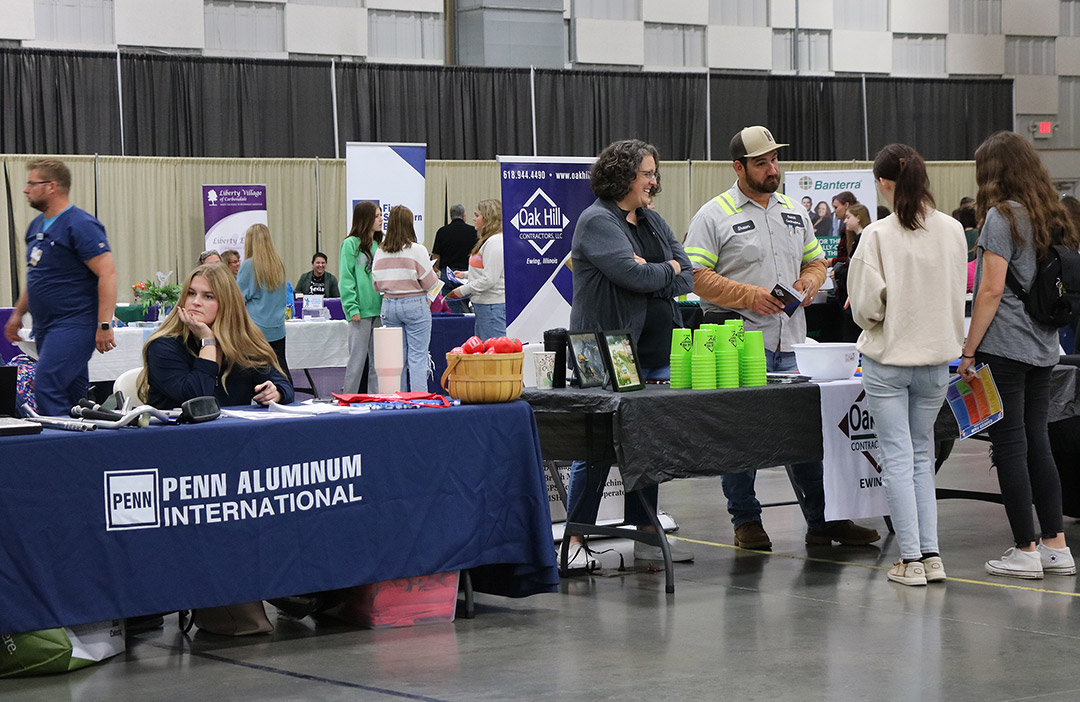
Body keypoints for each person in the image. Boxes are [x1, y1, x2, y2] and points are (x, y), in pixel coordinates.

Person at [683, 125, 879, 550]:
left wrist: (810, 281)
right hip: (738, 346)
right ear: (739, 168)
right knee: (741, 438)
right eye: (761, 163)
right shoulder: (712, 214)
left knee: (809, 436)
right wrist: (748, 295)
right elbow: (695, 276)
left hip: (793, 345)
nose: (772, 169)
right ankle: (746, 522)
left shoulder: (793, 210)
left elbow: (816, 263)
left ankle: (824, 520)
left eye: (774, 160)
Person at [565, 138, 695, 569]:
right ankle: (577, 540)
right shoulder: (597, 221)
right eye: (647, 173)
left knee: (649, 446)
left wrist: (658, 270)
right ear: (623, 176)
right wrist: (659, 271)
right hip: (604, 352)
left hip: (656, 351)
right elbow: (630, 276)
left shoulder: (653, 222)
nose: (653, 181)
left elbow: (686, 273)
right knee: (597, 449)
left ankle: (645, 536)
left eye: (655, 173)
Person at [959, 131, 1080, 580]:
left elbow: (990, 289)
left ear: (993, 172)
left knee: (1009, 447)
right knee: (1038, 444)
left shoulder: (1001, 217)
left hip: (1005, 349)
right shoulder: (1054, 215)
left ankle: (1024, 549)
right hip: (1046, 346)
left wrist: (968, 351)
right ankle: (1056, 545)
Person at [848, 143, 967, 586]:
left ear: (882, 183)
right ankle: (932, 557)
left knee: (898, 459)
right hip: (937, 363)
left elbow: (865, 309)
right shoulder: (954, 230)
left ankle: (911, 560)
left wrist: (883, 313)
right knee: (922, 456)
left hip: (889, 361)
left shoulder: (877, 235)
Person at [3, 158, 117, 416]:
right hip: (45, 326)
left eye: (32, 183)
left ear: (51, 186)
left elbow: (107, 274)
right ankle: (84, 448)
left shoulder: (81, 224)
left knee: (46, 386)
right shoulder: (35, 227)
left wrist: (104, 324)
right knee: (75, 397)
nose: (25, 189)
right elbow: (36, 277)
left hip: (74, 322)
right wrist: (18, 314)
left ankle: (56, 447)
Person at [139, 264, 293, 409]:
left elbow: (283, 384)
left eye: (208, 296)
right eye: (191, 293)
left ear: (227, 304)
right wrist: (208, 343)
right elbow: (197, 399)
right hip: (176, 434)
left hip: (232, 433)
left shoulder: (242, 343)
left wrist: (276, 393)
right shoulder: (163, 345)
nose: (196, 302)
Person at [372, 205, 438, 392]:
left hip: (389, 304)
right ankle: (419, 400)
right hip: (415, 304)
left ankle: (396, 401)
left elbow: (376, 285)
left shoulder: (380, 251)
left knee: (395, 360)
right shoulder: (417, 250)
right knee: (418, 357)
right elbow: (430, 283)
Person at [339, 201, 383, 394]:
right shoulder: (350, 244)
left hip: (381, 310)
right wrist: (351, 307)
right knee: (356, 360)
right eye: (377, 216)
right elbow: (346, 278)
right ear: (365, 219)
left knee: (379, 363)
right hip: (360, 312)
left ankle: (376, 399)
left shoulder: (381, 244)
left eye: (381, 215)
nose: (381, 219)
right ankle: (348, 398)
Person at [446, 199, 505, 339]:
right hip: (484, 307)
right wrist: (465, 275)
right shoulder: (487, 240)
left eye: (477, 215)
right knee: (485, 351)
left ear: (488, 217)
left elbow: (489, 279)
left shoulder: (495, 242)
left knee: (493, 353)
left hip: (492, 307)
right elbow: (486, 269)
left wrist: (462, 290)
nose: (473, 219)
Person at [237, 224, 290, 379]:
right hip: (278, 328)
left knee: (254, 373)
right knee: (280, 371)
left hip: (255, 330)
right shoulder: (279, 264)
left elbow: (238, 299)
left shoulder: (248, 266)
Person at [833, 203, 871, 342]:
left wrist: (838, 274)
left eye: (848, 217)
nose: (845, 221)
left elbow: (860, 271)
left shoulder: (865, 241)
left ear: (859, 218)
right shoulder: (856, 240)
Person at [431, 203, 477, 313]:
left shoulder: (442, 231)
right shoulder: (473, 232)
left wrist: (437, 269)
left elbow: (436, 256)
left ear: (451, 216)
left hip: (448, 274)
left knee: (450, 306)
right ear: (464, 216)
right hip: (468, 273)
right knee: (469, 305)